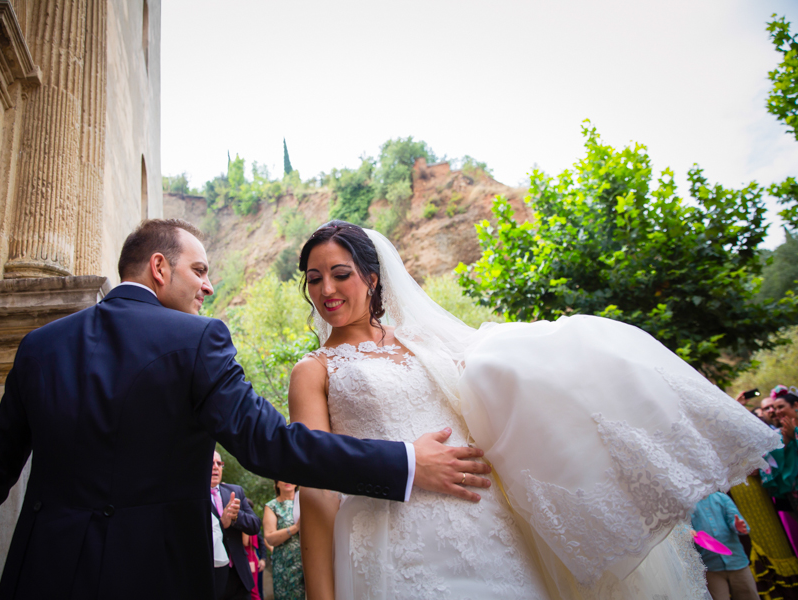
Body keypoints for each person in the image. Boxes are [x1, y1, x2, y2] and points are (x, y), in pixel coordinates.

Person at [0, 219, 491, 600]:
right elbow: (271, 447)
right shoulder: (197, 340)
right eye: (200, 270)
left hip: (44, 575)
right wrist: (404, 463)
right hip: (158, 578)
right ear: (160, 268)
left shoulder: (40, 347)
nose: (207, 288)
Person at [289, 221, 782, 600]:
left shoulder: (429, 344)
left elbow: (502, 396)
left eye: (340, 274)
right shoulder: (313, 371)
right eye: (314, 279)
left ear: (373, 278)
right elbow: (316, 491)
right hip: (387, 541)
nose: (327, 290)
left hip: (488, 529)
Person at [691, 492, 761, 600]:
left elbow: (735, 518)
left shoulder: (721, 497)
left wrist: (738, 526)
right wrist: (686, 532)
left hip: (737, 562)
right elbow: (682, 527)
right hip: (711, 567)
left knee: (749, 596)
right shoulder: (684, 506)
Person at [210, 450, 260, 600]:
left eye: (219, 464)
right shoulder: (194, 498)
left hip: (239, 577)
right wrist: (221, 523)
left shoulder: (235, 491)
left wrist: (235, 517)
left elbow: (255, 525)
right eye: (211, 463)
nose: (216, 467)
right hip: (212, 576)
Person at [263, 481, 303, 599]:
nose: (287, 481)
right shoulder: (272, 506)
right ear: (277, 483)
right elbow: (270, 538)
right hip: (285, 566)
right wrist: (294, 528)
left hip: (307, 563)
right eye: (283, 477)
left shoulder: (305, 503)